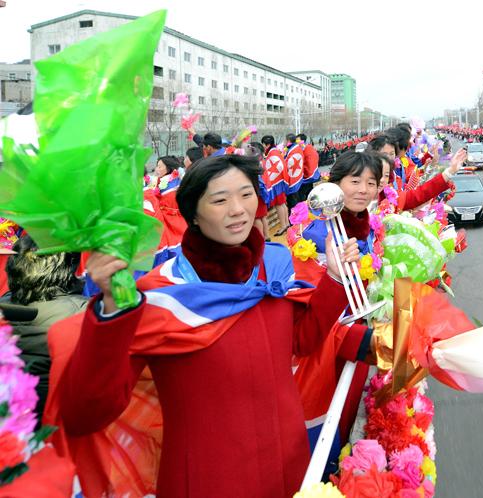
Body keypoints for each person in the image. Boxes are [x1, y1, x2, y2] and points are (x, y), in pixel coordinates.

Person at [49, 155, 359, 497]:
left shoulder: (272, 267)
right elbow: (89, 412)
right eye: (220, 200)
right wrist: (110, 310)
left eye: (246, 194)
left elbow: (301, 341)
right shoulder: (161, 295)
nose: (238, 209)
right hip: (207, 477)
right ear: (192, 214)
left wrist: (333, 276)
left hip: (290, 463)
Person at [5, 234, 87, 425]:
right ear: (67, 269)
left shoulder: (4, 303)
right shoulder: (84, 316)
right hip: (53, 426)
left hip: (11, 423)